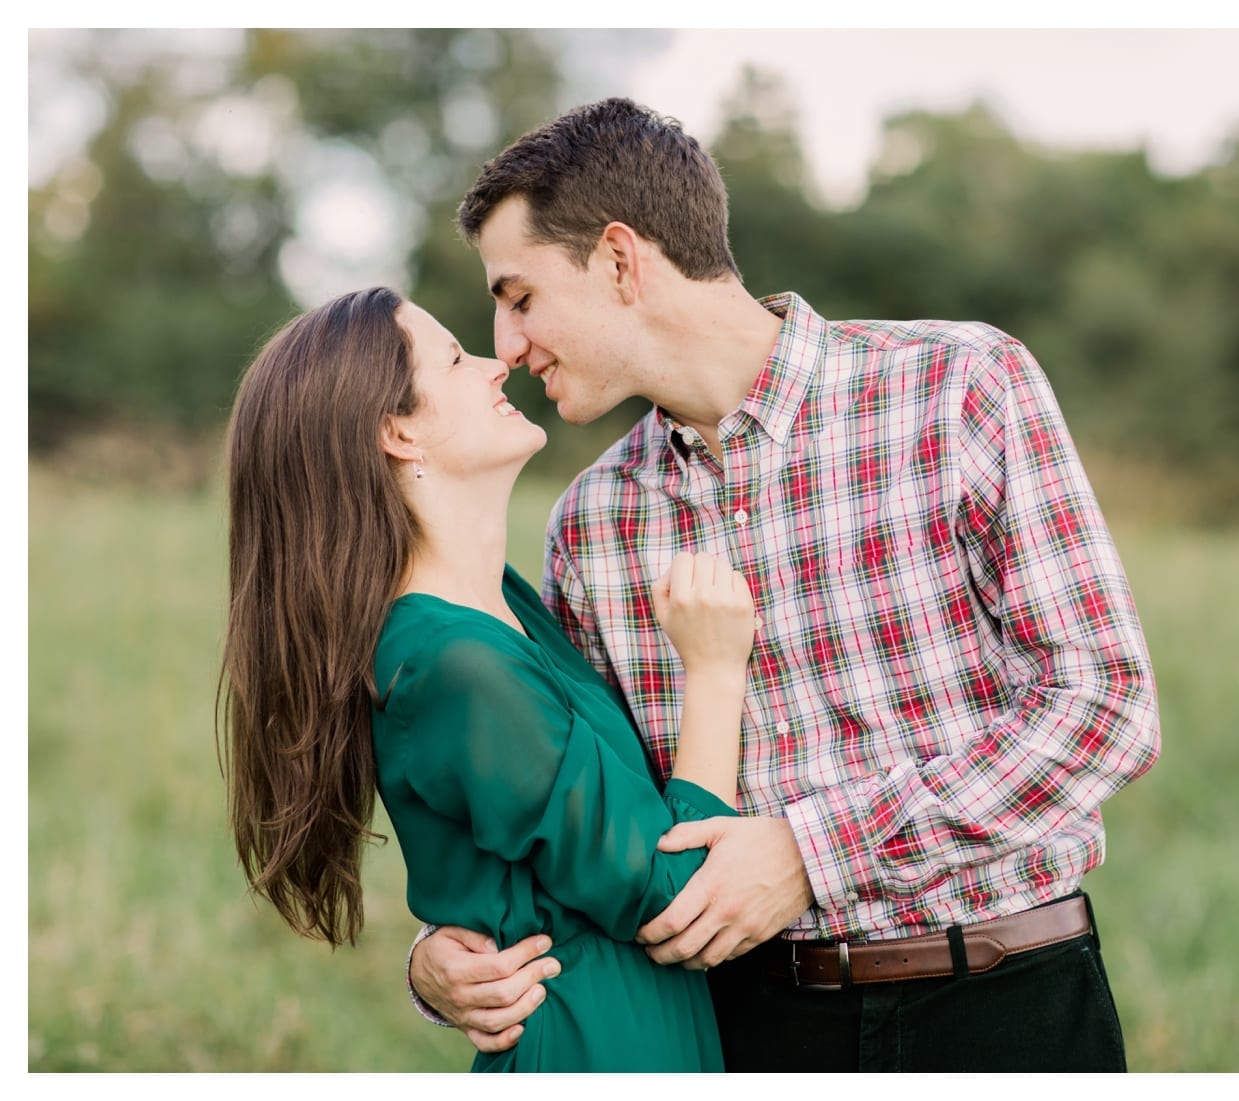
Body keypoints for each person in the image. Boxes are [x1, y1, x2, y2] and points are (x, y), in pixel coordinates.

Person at [409, 97, 1162, 1073]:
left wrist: (814, 852)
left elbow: (1104, 708)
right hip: (746, 1028)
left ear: (619, 260)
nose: (507, 346)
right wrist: (439, 959)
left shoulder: (957, 386)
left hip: (1004, 1003)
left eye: (519, 297)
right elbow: (578, 824)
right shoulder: (594, 525)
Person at [218, 285, 761, 1071]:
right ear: (397, 431)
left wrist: (433, 955)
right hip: (595, 1047)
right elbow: (677, 897)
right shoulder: (452, 661)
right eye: (454, 357)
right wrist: (714, 673)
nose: (496, 364)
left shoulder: (502, 601)